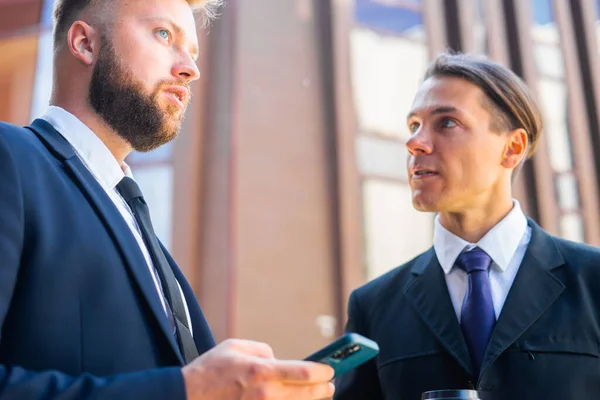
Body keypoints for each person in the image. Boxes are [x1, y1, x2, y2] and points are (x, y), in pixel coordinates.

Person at [0, 0, 335, 399]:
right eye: (164, 35)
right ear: (85, 43)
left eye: (192, 53)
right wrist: (185, 389)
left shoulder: (143, 235)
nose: (190, 70)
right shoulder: (10, 158)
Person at [334, 52, 600, 400]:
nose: (414, 142)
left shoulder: (593, 280)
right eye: (414, 125)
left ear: (512, 148)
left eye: (446, 123)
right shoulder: (372, 306)